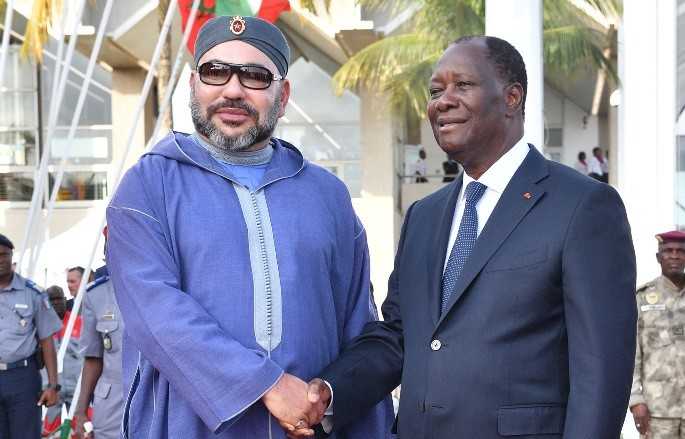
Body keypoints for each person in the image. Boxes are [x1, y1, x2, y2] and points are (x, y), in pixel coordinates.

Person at [298, 35, 637, 438]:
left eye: (463, 85)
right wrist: (329, 391)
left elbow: (601, 372)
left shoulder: (583, 207)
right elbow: (400, 336)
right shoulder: (423, 216)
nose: (442, 101)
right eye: (436, 91)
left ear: (512, 97)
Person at [105, 15, 392, 439]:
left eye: (255, 77)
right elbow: (157, 312)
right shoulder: (150, 186)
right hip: (189, 427)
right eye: (215, 72)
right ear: (192, 84)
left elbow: (357, 325)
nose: (233, 90)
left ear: (284, 93)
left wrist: (328, 396)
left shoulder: (327, 195)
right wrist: (267, 384)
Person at [0, 233, 62, 438]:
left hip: (22, 377)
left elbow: (47, 341)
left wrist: (53, 385)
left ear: (12, 257)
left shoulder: (33, 293)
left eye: (4, 255)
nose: (0, 260)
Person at [630, 230, 685, 438]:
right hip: (657, 411)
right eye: (668, 251)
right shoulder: (642, 298)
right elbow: (632, 353)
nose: (674, 256)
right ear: (658, 258)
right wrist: (636, 400)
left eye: (680, 251)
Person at [73, 270, 124, 439]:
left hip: (154, 396)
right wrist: (81, 412)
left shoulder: (161, 285)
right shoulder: (96, 294)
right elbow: (93, 358)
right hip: (112, 404)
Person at [41, 285, 83, 436]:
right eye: (52, 300)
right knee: (49, 432)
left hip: (77, 388)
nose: (56, 302)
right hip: (51, 389)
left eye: (59, 298)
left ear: (65, 300)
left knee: (81, 430)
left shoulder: (78, 321)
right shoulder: (40, 325)